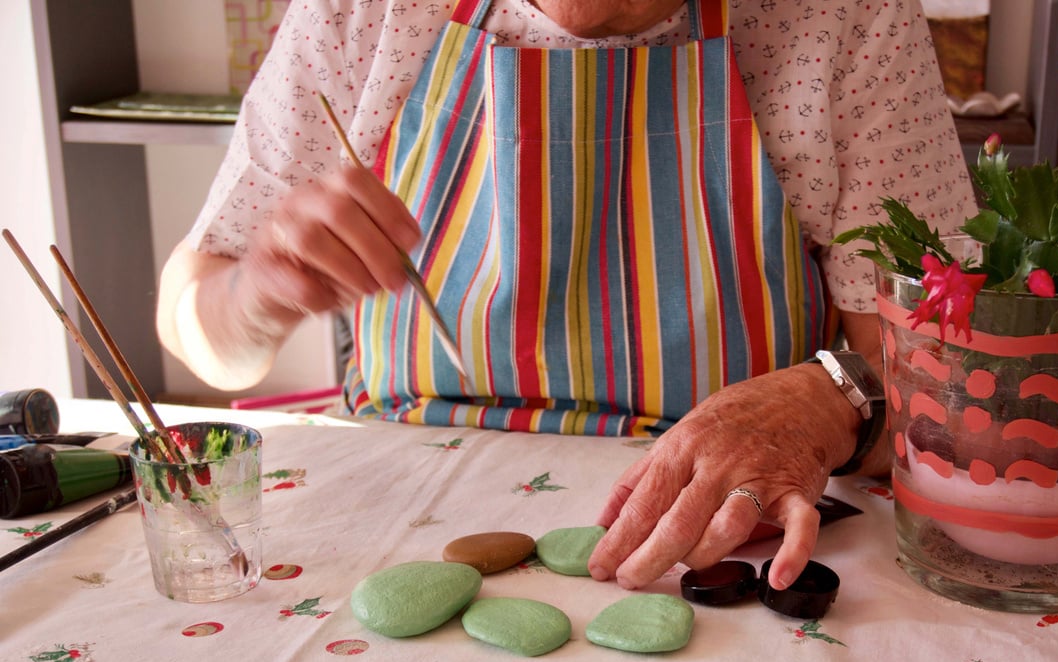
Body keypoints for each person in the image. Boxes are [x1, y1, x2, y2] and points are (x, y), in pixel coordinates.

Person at [157, 0, 974, 593]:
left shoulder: (845, 17)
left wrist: (829, 402)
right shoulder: (361, 12)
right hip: (401, 537)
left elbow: (954, 370)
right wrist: (252, 298)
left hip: (728, 534)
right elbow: (194, 325)